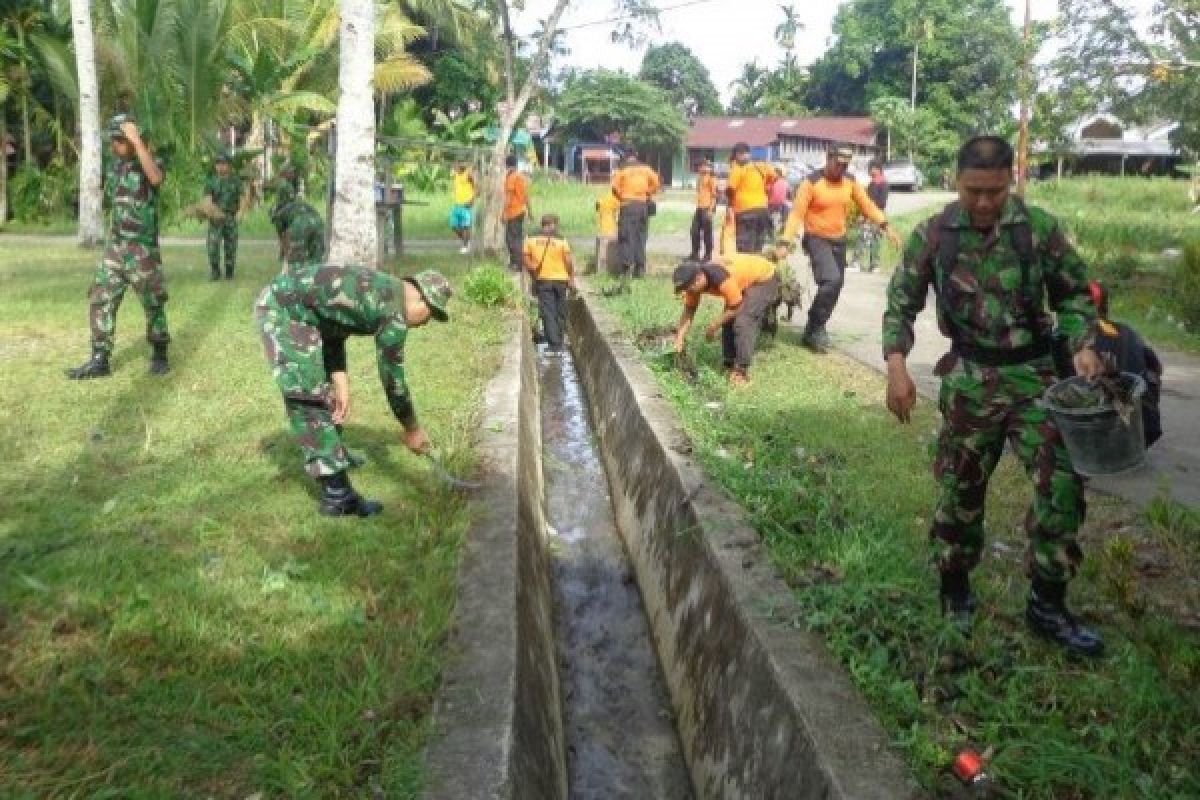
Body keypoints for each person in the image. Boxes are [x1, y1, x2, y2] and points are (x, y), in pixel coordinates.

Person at [883, 135, 1106, 657]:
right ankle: (955, 591)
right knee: (960, 493)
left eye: (995, 191)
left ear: (1012, 181)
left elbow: (1076, 292)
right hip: (970, 378)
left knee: (1062, 489)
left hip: (1035, 378)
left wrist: (1082, 345)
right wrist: (896, 367)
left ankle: (1048, 603)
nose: (983, 203)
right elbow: (900, 305)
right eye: (973, 191)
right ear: (955, 182)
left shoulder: (1039, 230)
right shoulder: (936, 234)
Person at [255, 264, 453, 517]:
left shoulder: (383, 288)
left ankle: (335, 452)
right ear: (421, 301)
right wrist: (412, 428)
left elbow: (333, 320)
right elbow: (394, 382)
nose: (426, 323)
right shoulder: (393, 313)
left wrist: (341, 381)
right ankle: (338, 496)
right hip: (281, 310)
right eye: (431, 315)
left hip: (305, 311)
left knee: (325, 392)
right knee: (307, 399)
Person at [67, 114, 169, 379]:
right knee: (101, 298)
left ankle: (159, 353)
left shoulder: (151, 161)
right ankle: (100, 359)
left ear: (133, 141)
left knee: (153, 302)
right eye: (113, 140)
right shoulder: (115, 167)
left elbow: (156, 179)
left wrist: (137, 141)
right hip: (116, 249)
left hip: (142, 251)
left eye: (119, 140)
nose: (114, 145)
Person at [782, 144, 899, 354]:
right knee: (831, 280)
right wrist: (785, 242)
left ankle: (815, 327)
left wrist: (885, 225)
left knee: (836, 286)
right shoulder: (811, 182)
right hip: (816, 238)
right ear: (828, 159)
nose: (841, 169)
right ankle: (815, 327)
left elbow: (867, 205)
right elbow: (796, 214)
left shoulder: (850, 182)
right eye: (838, 164)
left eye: (845, 166)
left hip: (839, 239)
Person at [672, 240, 788, 388]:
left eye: (688, 288)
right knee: (728, 320)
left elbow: (736, 307)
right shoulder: (693, 286)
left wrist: (713, 326)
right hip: (743, 280)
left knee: (744, 320)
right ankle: (729, 363)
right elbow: (689, 311)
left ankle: (741, 372)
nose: (687, 292)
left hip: (765, 278)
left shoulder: (720, 277)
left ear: (698, 279)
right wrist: (680, 338)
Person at [1084, 281, 1164, 447]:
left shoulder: (1075, 343)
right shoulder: (1127, 331)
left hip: (1094, 435)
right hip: (1144, 430)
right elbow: (1157, 367)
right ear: (1106, 304)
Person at [524, 214, 577, 354]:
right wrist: (571, 278)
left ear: (543, 224)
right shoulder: (561, 240)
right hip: (561, 280)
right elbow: (569, 261)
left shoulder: (530, 239)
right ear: (553, 224)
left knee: (548, 312)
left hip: (543, 280)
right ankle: (558, 342)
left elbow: (525, 258)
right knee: (560, 311)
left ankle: (554, 344)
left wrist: (533, 272)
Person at [611, 151, 662, 278]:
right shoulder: (647, 169)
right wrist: (647, 193)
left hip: (628, 206)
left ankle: (626, 270)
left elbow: (615, 189)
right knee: (641, 237)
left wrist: (622, 198)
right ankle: (640, 270)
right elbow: (657, 184)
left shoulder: (623, 170)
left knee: (626, 237)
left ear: (626, 158)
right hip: (643, 207)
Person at [727, 142, 776, 254]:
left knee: (744, 248)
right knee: (758, 246)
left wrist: (730, 206)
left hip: (745, 211)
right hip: (762, 211)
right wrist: (766, 188)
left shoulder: (738, 168)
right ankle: (757, 268)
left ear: (738, 154)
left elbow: (730, 189)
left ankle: (747, 269)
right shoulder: (761, 166)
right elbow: (774, 177)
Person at [204, 152, 243, 281]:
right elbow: (207, 199)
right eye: (218, 164)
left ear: (229, 165)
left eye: (223, 164)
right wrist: (211, 211)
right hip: (215, 218)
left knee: (231, 247)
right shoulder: (211, 181)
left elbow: (242, 198)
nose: (220, 166)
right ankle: (215, 272)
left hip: (230, 217)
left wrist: (240, 212)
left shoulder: (236, 181)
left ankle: (229, 272)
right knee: (213, 246)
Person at [853, 161, 889, 273]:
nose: (869, 171)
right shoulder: (875, 183)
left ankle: (857, 263)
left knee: (864, 238)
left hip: (874, 216)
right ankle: (874, 265)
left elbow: (880, 202)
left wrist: (867, 215)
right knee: (874, 239)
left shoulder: (880, 183)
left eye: (871, 169)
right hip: (876, 215)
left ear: (877, 169)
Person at [276, 199, 327, 269]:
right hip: (319, 222)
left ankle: (295, 276)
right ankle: (315, 275)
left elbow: (283, 237)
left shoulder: (279, 214)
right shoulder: (299, 204)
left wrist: (284, 257)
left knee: (296, 263)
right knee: (317, 258)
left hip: (301, 224)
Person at [503, 155, 532, 271]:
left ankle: (517, 264)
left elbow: (509, 196)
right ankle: (516, 263)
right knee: (517, 238)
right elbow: (526, 196)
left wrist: (504, 212)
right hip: (521, 211)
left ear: (507, 165)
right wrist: (530, 211)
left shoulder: (512, 177)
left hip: (513, 212)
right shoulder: (521, 177)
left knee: (511, 239)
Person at [689, 160, 718, 262]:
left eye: (704, 166)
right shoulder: (700, 178)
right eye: (701, 166)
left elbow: (715, 196)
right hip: (700, 208)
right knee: (694, 231)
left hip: (707, 208)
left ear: (709, 168)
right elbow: (698, 191)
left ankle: (708, 254)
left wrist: (711, 210)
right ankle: (695, 253)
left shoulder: (712, 178)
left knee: (707, 233)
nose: (701, 168)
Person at [449, 162, 476, 254]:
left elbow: (477, 187)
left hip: (466, 204)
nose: (454, 168)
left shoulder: (468, 175)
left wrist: (472, 200)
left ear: (461, 167)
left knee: (465, 226)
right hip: (457, 204)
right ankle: (467, 241)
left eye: (456, 166)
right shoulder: (456, 174)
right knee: (454, 225)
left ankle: (465, 246)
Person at [594, 188, 620, 275]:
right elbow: (618, 216)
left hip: (602, 228)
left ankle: (600, 269)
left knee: (602, 251)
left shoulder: (604, 198)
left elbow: (597, 206)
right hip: (611, 228)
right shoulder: (616, 201)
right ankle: (610, 269)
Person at [767, 166, 791, 231]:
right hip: (781, 205)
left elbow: (768, 192)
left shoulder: (771, 182)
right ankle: (784, 225)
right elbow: (789, 195)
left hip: (771, 204)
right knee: (788, 207)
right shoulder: (786, 183)